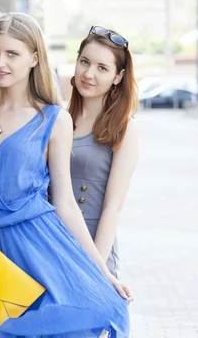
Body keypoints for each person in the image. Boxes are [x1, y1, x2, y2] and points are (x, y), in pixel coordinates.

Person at [0, 13, 131, 338]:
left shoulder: (54, 119)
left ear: (34, 58)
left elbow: (64, 203)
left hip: (34, 249)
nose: (0, 63)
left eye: (12, 54)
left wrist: (102, 271)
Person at [68, 26, 139, 279]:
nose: (88, 74)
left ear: (118, 77)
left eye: (102, 68)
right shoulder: (59, 118)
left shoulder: (123, 128)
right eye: (84, 62)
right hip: (50, 245)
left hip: (94, 249)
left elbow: (113, 207)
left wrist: (95, 268)